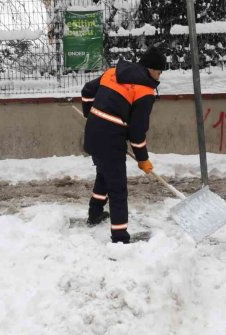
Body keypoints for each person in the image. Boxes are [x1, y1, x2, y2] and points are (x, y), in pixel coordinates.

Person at [80, 46, 166, 244]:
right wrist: (143, 159)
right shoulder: (145, 91)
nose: (160, 77)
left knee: (104, 174)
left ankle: (95, 214)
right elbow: (137, 133)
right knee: (118, 189)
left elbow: (86, 91)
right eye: (159, 71)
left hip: (93, 134)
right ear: (150, 69)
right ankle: (119, 238)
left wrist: (90, 114)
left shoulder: (112, 73)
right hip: (110, 140)